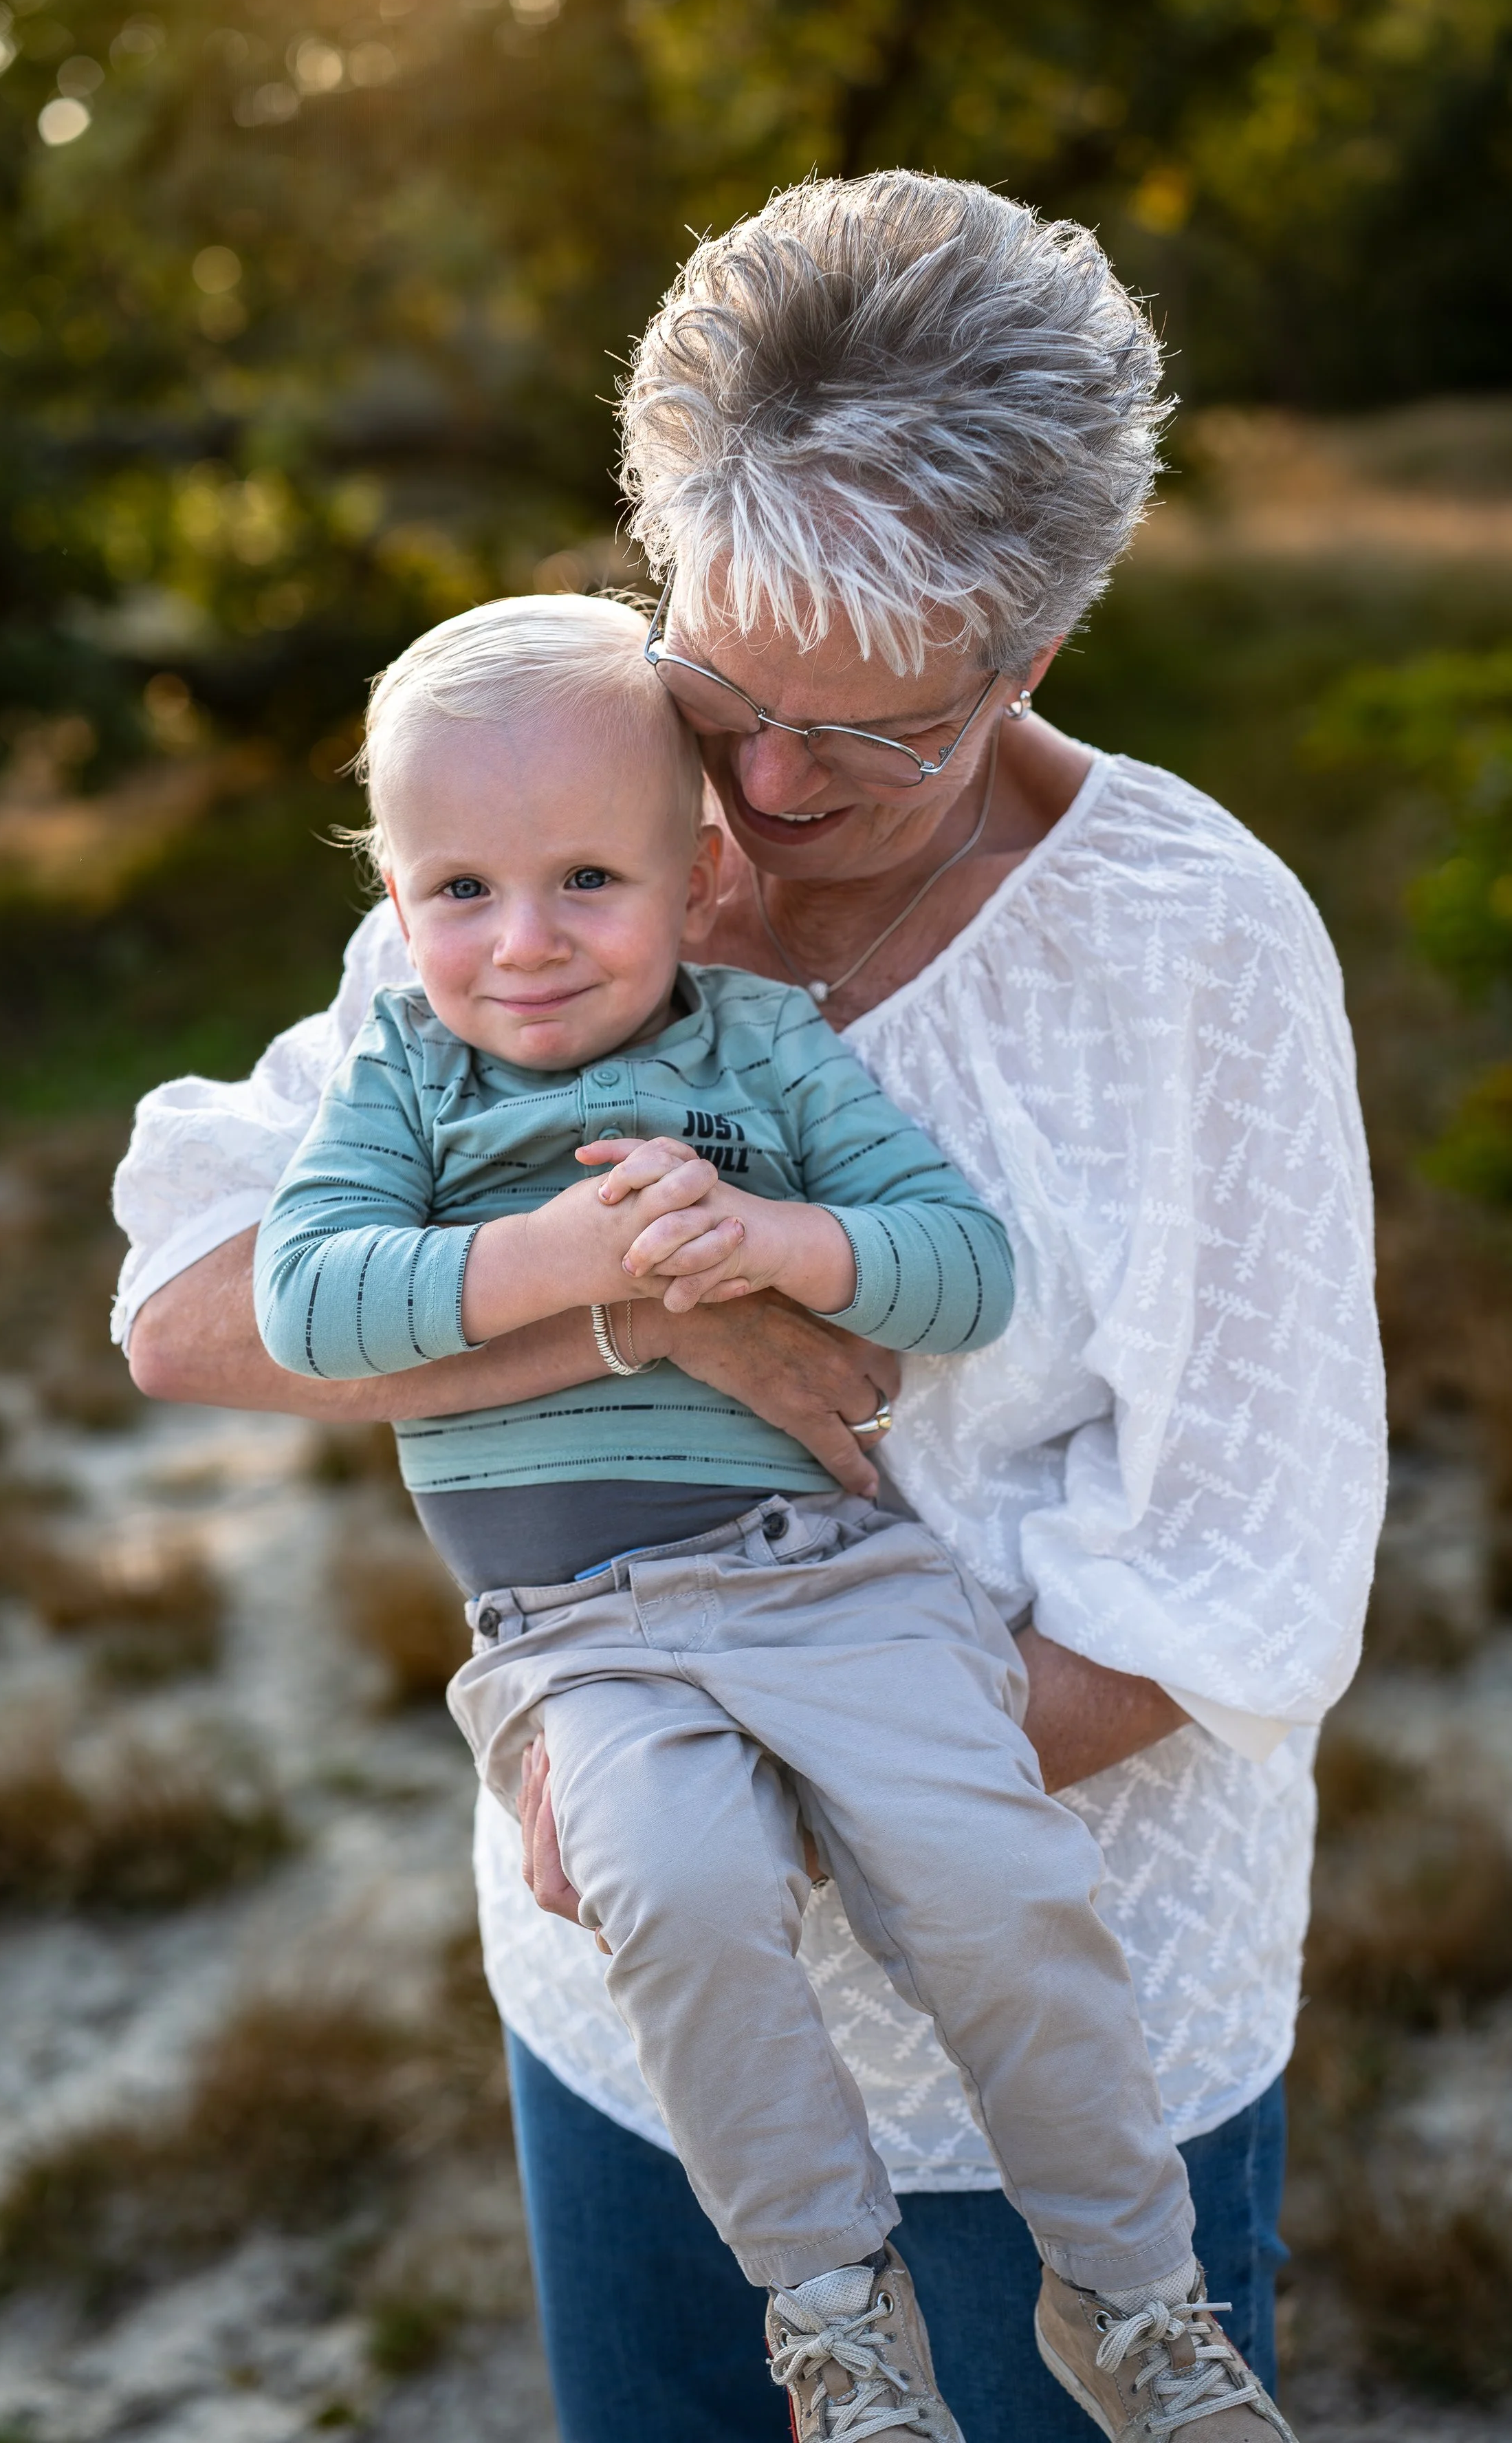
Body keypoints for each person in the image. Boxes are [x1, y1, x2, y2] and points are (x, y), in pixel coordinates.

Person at [113, 173, 1385, 2443]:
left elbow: (1229, 1580)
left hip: (1041, 2039)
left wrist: (739, 1814)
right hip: (634, 2024)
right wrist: (653, 1322)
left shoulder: (1195, 949)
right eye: (729, 689)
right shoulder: (546, 843)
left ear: (1033, 657)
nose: (767, 799)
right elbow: (205, 1311)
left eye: (876, 731)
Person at [249, 592, 1286, 2442]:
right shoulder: (409, 1071)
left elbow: (957, 1269)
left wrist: (776, 1242)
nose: (527, 942)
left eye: (586, 876)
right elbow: (305, 1304)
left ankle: (1131, 2293)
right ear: (394, 896)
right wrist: (579, 1260)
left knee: (992, 1873)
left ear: (695, 865)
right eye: (458, 891)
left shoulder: (756, 1050)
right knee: (676, 1884)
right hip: (576, 1631)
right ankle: (833, 2318)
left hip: (829, 1575)